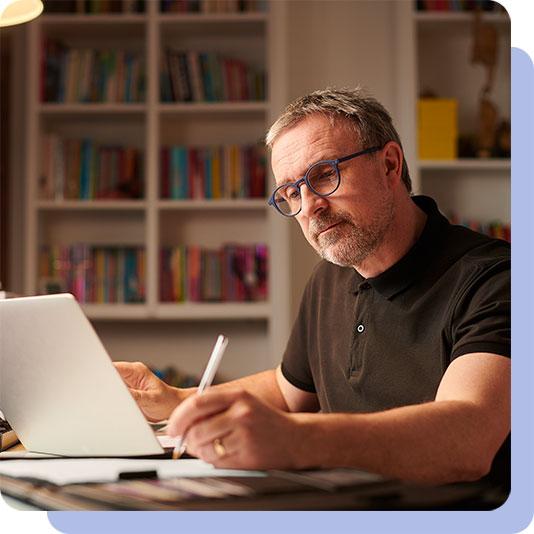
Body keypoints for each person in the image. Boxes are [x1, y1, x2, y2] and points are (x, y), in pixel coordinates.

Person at [115, 88, 510, 488]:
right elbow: (288, 392)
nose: (309, 207)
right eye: (291, 192)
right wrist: (178, 400)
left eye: (324, 175)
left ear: (390, 165)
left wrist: (298, 440)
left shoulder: (496, 278)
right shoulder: (330, 278)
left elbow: (469, 438)